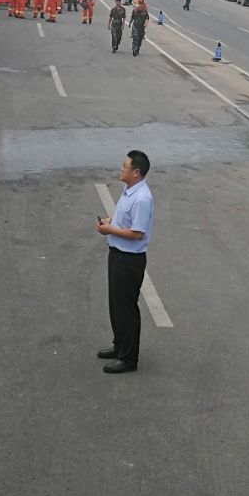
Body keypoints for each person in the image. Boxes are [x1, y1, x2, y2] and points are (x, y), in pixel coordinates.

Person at [95, 150, 154, 374]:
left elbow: (137, 233)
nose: (121, 169)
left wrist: (110, 230)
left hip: (130, 260)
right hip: (117, 254)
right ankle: (119, 345)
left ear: (136, 172)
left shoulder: (142, 198)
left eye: (125, 166)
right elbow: (125, 219)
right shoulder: (129, 191)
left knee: (126, 308)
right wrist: (111, 221)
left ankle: (129, 358)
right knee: (116, 304)